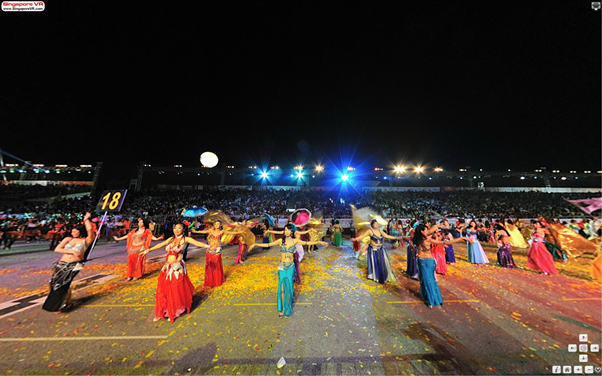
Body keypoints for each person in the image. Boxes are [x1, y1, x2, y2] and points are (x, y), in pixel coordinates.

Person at [248, 223, 326, 317]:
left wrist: (319, 242)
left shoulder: (295, 241)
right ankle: (281, 309)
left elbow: (307, 243)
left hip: (290, 266)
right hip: (282, 266)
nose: (287, 231)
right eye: (285, 230)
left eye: (289, 230)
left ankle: (287, 308)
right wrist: (255, 243)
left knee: (289, 288)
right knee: (281, 289)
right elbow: (268, 244)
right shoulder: (280, 241)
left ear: (292, 231)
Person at [142, 223, 212, 323]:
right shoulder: (170, 239)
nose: (177, 230)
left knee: (174, 288)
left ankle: (174, 311)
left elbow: (197, 243)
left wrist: (208, 246)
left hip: (177, 267)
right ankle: (163, 310)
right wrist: (148, 250)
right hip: (167, 266)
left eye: (179, 228)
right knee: (163, 288)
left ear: (183, 230)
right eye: (175, 228)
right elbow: (160, 245)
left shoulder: (185, 239)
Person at [42, 212, 94, 312]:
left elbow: (90, 230)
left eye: (75, 231)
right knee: (53, 283)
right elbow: (57, 249)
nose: (72, 233)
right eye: (72, 231)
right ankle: (64, 302)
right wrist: (72, 251)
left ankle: (62, 304)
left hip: (74, 265)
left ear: (80, 231)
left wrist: (86, 220)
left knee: (64, 283)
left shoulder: (85, 241)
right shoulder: (68, 239)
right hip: (61, 264)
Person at [412, 224, 471, 308]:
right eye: (426, 230)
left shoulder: (423, 240)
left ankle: (431, 301)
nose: (427, 231)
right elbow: (444, 241)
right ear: (422, 231)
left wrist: (461, 238)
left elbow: (445, 242)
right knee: (428, 280)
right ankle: (434, 300)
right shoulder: (424, 240)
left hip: (425, 261)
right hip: (426, 261)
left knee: (427, 280)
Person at [351, 219, 406, 284]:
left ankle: (381, 275)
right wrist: (355, 239)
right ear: (372, 225)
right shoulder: (370, 231)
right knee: (375, 263)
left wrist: (397, 238)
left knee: (382, 263)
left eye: (377, 224)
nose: (376, 225)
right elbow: (362, 236)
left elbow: (387, 236)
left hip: (381, 249)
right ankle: (375, 276)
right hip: (373, 250)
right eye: (375, 224)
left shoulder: (380, 231)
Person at [191, 220, 241, 287]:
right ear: (214, 225)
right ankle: (210, 280)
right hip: (210, 248)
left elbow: (231, 232)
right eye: (215, 224)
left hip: (217, 249)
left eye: (218, 224)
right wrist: (196, 231)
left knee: (217, 264)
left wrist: (240, 232)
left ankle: (217, 279)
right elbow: (203, 231)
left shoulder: (221, 231)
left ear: (220, 225)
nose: (217, 225)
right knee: (209, 264)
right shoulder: (211, 231)